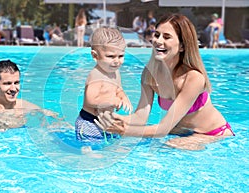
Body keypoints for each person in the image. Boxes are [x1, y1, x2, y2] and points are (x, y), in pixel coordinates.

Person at [95, 13, 235, 150]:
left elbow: (162, 130)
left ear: (182, 46)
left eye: (166, 37)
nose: (158, 41)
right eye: (157, 35)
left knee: (170, 145)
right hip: (184, 131)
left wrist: (124, 130)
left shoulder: (193, 78)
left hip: (214, 133)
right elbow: (140, 117)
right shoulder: (149, 74)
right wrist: (115, 119)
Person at [75, 27, 133, 142]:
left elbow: (118, 89)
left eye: (121, 56)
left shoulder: (115, 72)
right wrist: (111, 101)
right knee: (90, 151)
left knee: (115, 146)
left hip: (106, 122)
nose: (117, 61)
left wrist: (124, 98)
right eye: (110, 56)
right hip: (89, 123)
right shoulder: (96, 75)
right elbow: (90, 100)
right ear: (95, 56)